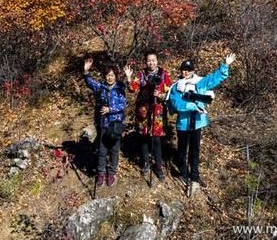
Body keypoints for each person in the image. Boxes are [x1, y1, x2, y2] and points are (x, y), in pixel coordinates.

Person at [167, 53, 236, 195]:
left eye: (189, 69)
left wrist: (225, 65)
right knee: (182, 150)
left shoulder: (200, 83)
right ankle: (183, 173)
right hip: (183, 124)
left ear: (193, 70)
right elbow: (176, 103)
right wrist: (192, 106)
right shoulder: (176, 87)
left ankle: (195, 176)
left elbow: (214, 78)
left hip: (197, 123)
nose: (186, 72)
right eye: (183, 69)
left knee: (195, 150)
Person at [124, 50, 172, 182]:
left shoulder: (164, 74)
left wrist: (160, 95)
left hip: (157, 110)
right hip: (143, 110)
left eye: (153, 60)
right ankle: (146, 162)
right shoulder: (141, 74)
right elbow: (133, 89)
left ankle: (158, 167)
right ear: (146, 61)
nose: (151, 63)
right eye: (149, 60)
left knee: (156, 139)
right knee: (144, 137)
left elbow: (169, 92)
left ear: (157, 61)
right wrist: (129, 77)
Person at [83, 58, 127, 187]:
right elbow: (90, 82)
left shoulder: (120, 88)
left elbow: (123, 105)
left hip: (116, 124)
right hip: (104, 123)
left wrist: (110, 109)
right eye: (108, 75)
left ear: (116, 76)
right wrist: (86, 71)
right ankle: (101, 173)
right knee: (102, 150)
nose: (110, 78)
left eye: (112, 75)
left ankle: (112, 172)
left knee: (114, 149)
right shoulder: (101, 87)